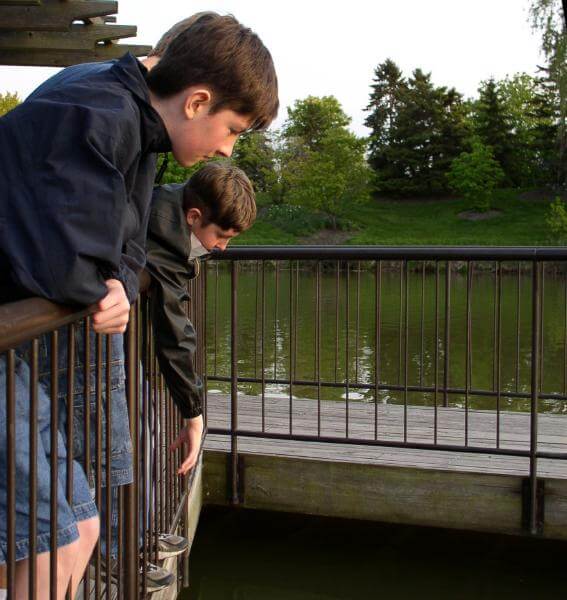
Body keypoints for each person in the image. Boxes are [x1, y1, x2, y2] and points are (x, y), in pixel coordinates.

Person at [0, 11, 278, 598]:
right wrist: (104, 281)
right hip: (16, 337)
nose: (226, 148)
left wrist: (120, 282)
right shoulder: (102, 114)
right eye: (233, 130)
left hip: (29, 343)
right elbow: (66, 263)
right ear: (198, 102)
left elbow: (126, 250)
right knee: (58, 528)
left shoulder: (138, 126)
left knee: (75, 520)